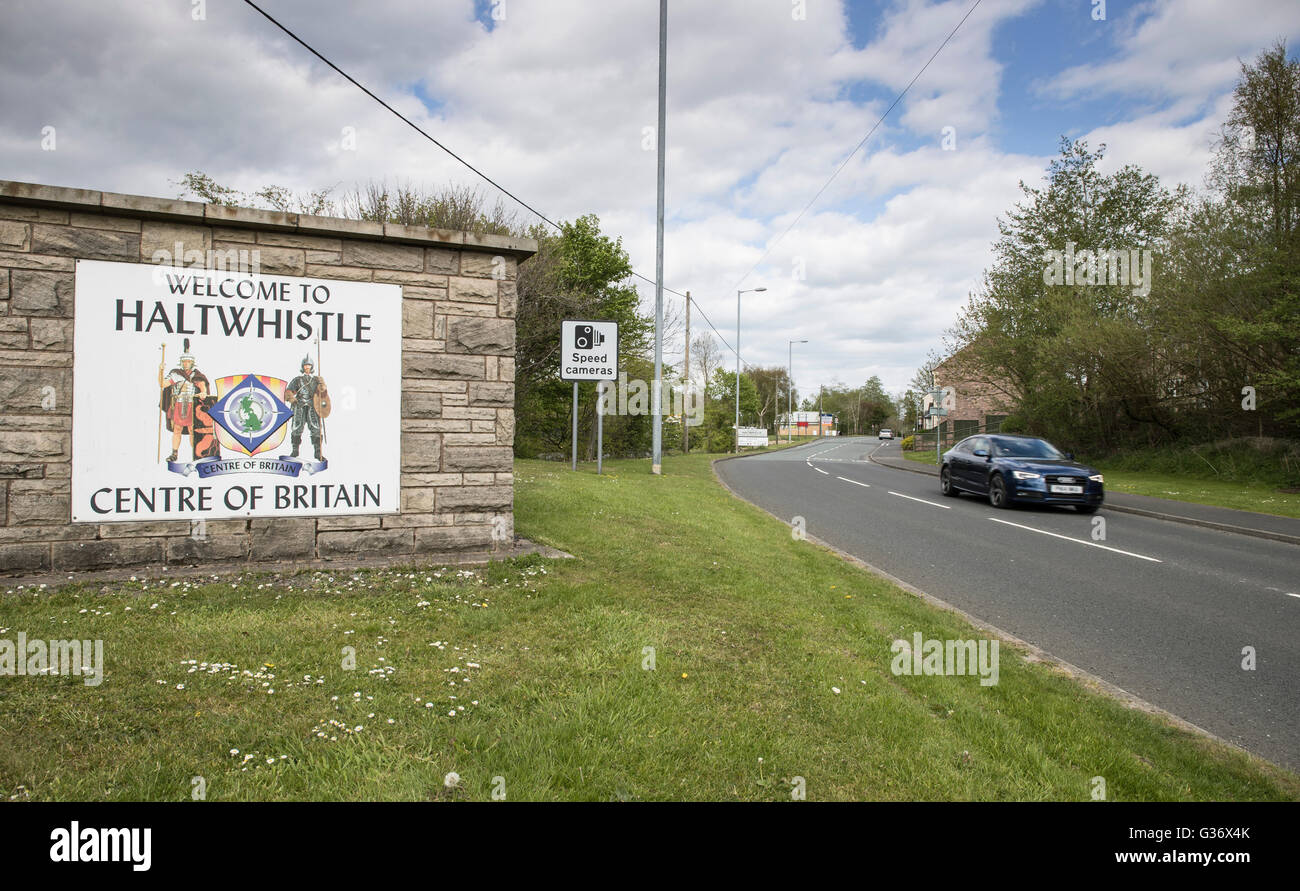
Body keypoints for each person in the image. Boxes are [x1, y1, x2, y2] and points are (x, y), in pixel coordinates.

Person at [158, 339, 211, 463]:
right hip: (179, 404)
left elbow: (203, 387)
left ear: (192, 363)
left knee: (193, 430)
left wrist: (203, 393)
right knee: (177, 429)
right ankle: (174, 453)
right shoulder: (176, 374)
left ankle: (196, 454)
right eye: (184, 361)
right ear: (181, 363)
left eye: (188, 361)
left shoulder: (196, 375)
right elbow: (162, 384)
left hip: (192, 405)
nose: (186, 363)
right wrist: (160, 370)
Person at [285, 354, 328, 461]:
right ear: (303, 367)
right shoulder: (297, 380)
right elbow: (288, 391)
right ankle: (295, 451)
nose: (307, 367)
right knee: (296, 428)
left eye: (309, 365)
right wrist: (292, 399)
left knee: (316, 429)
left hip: (313, 407)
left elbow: (322, 393)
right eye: (305, 365)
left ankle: (318, 453)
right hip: (299, 406)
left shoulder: (316, 380)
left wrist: (322, 384)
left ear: (312, 366)